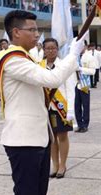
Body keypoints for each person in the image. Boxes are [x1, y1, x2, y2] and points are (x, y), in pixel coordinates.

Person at [0, 10, 86, 195]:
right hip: (23, 141)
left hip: (39, 137)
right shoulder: (11, 59)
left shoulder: (26, 57)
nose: (37, 35)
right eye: (32, 30)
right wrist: (73, 55)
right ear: (16, 32)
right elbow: (52, 78)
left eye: (38, 29)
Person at [41, 38, 77, 179]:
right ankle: (54, 164)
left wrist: (71, 110)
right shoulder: (39, 66)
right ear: (43, 50)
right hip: (45, 107)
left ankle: (63, 165)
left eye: (53, 48)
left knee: (62, 136)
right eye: (47, 48)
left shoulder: (64, 65)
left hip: (61, 107)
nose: (50, 51)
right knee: (51, 138)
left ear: (57, 49)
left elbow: (70, 88)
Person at [75, 44, 97, 133]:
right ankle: (79, 124)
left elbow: (93, 71)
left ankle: (85, 125)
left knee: (85, 105)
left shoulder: (89, 57)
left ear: (84, 46)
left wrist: (80, 69)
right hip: (76, 84)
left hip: (85, 85)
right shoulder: (75, 57)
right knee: (77, 106)